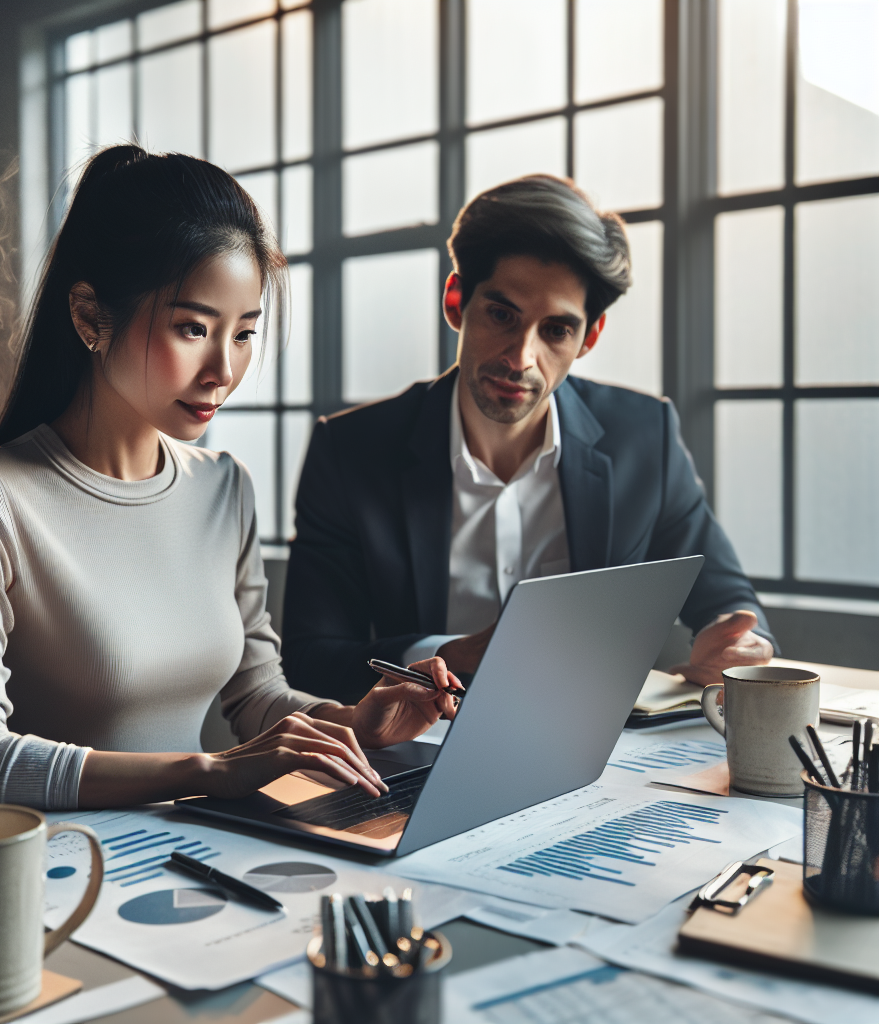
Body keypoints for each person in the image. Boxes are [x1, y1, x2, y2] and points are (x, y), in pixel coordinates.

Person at [0, 146, 459, 811]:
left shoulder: (223, 488)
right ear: (90, 317)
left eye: (243, 334)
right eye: (193, 328)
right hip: (56, 875)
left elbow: (258, 699)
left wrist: (356, 723)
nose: (222, 371)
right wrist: (205, 770)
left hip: (196, 855)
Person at [281, 174, 776, 705]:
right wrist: (457, 654)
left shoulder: (642, 435)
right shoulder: (351, 451)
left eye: (556, 330)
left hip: (596, 744)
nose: (520, 358)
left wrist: (734, 644)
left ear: (589, 337)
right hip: (415, 743)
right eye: (501, 314)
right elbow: (312, 659)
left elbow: (725, 596)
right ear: (455, 301)